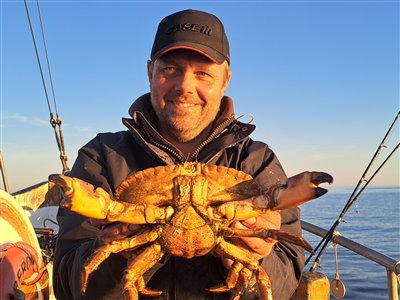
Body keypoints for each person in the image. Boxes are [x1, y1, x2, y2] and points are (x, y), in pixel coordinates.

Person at [53, 9, 305, 300]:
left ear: (225, 80)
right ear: (150, 72)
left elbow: (285, 282)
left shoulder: (257, 162)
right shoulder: (103, 156)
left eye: (203, 73)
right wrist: (118, 252)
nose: (185, 86)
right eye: (170, 69)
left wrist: (259, 256)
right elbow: (68, 285)